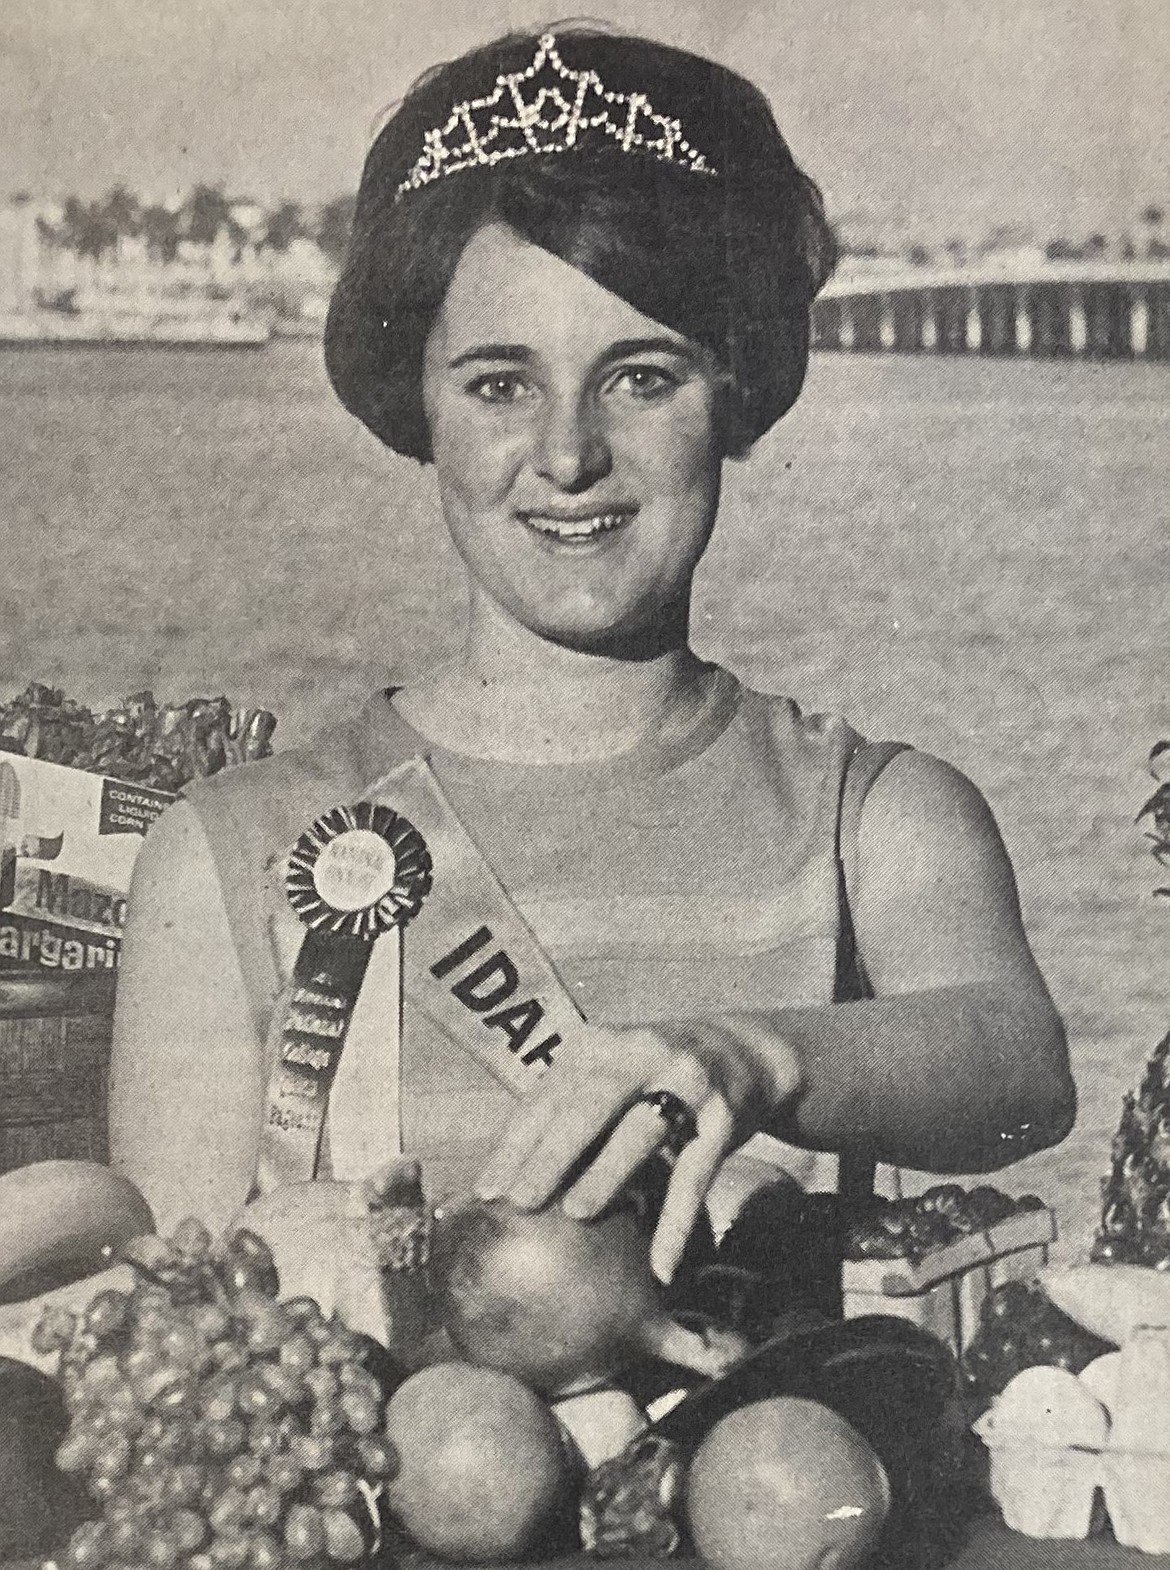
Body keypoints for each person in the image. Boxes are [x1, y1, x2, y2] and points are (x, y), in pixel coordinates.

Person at [108, 26, 1074, 1286]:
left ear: (735, 393)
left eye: (641, 377)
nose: (568, 455)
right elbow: (178, 1342)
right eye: (501, 384)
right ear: (421, 405)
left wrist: (749, 1053)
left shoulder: (873, 817)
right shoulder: (231, 855)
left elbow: (1019, 1071)